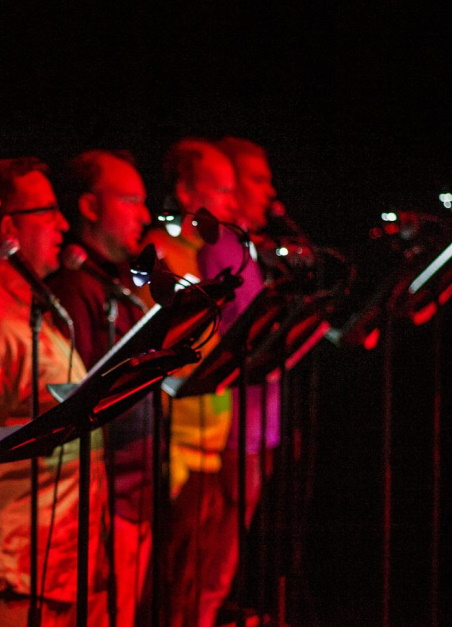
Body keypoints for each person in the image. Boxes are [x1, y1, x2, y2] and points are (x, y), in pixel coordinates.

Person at [0, 157, 108, 626]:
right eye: (47, 211)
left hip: (62, 572)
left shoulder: (38, 315)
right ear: (5, 227)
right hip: (14, 576)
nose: (63, 224)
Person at [151, 137, 279, 627]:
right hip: (185, 441)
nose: (230, 203)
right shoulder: (177, 251)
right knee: (183, 578)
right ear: (185, 192)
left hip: (214, 431)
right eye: (221, 190)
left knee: (205, 579)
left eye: (233, 190)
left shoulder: (206, 248)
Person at [45, 149, 153, 627]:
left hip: (133, 494)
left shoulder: (113, 284)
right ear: (89, 208)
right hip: (106, 499)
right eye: (131, 200)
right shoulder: (74, 288)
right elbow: (82, 397)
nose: (145, 217)